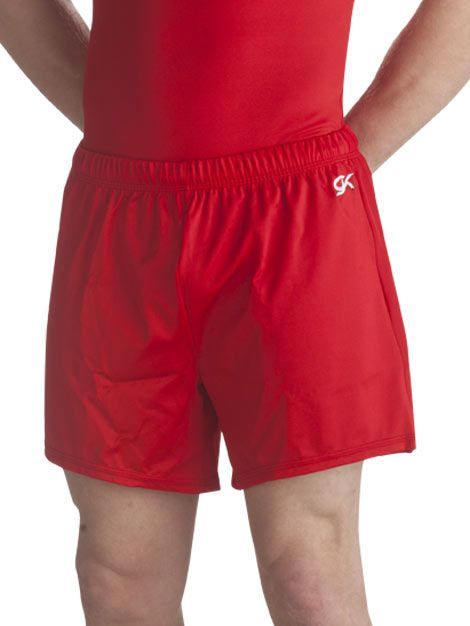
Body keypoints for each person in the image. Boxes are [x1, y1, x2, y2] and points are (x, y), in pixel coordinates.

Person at [1, 1, 468, 624]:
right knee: (117, 579)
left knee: (307, 575)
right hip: (124, 212)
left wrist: (344, 160)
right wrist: (131, 127)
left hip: (295, 213)